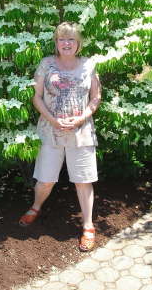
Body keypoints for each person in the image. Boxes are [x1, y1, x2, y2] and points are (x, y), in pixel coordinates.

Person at [19, 22, 101, 252]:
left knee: (83, 180)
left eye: (71, 39)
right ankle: (36, 207)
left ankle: (88, 226)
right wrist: (54, 120)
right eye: (62, 39)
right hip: (51, 130)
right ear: (56, 43)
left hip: (81, 131)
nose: (66, 43)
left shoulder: (89, 65)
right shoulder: (46, 64)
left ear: (78, 43)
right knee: (45, 178)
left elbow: (96, 97)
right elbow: (37, 97)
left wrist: (81, 118)